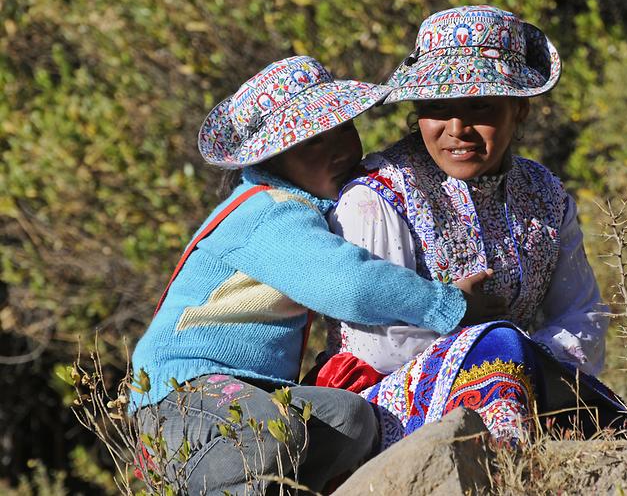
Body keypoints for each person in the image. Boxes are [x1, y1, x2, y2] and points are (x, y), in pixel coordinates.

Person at [130, 55, 503, 494]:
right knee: (269, 430)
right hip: (184, 392)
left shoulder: (304, 211)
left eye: (344, 128)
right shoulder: (268, 213)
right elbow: (349, 284)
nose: (342, 149)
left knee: (351, 420)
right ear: (275, 159)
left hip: (252, 397)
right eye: (313, 142)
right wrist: (447, 304)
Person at [320, 6, 627, 449]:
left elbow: (582, 313)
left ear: (519, 110)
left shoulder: (544, 193)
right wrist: (484, 338)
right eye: (437, 109)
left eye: (480, 106)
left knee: (618, 425)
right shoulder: (376, 197)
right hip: (383, 401)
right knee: (500, 349)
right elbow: (378, 345)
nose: (457, 130)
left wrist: (527, 357)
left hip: (522, 375)